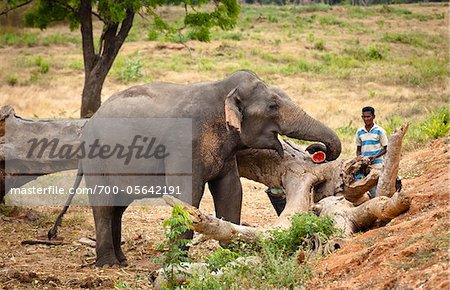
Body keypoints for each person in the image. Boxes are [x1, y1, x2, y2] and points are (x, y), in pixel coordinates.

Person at [355, 106, 388, 198]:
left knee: (377, 188)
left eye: (368, 116)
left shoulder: (379, 131)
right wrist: (359, 159)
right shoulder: (360, 132)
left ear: (373, 116)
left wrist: (375, 157)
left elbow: (386, 148)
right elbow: (358, 149)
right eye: (364, 117)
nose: (366, 119)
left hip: (377, 165)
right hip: (365, 165)